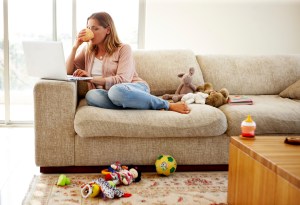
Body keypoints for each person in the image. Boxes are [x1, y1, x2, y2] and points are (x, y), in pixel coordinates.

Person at [66, 12, 190, 114]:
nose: (90, 32)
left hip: (132, 89)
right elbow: (67, 71)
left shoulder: (123, 49)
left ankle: (166, 105)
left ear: (107, 30)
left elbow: (123, 79)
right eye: (88, 28)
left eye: (95, 28)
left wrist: (91, 79)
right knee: (91, 96)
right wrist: (74, 47)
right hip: (108, 94)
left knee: (116, 91)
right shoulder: (88, 51)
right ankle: (140, 104)